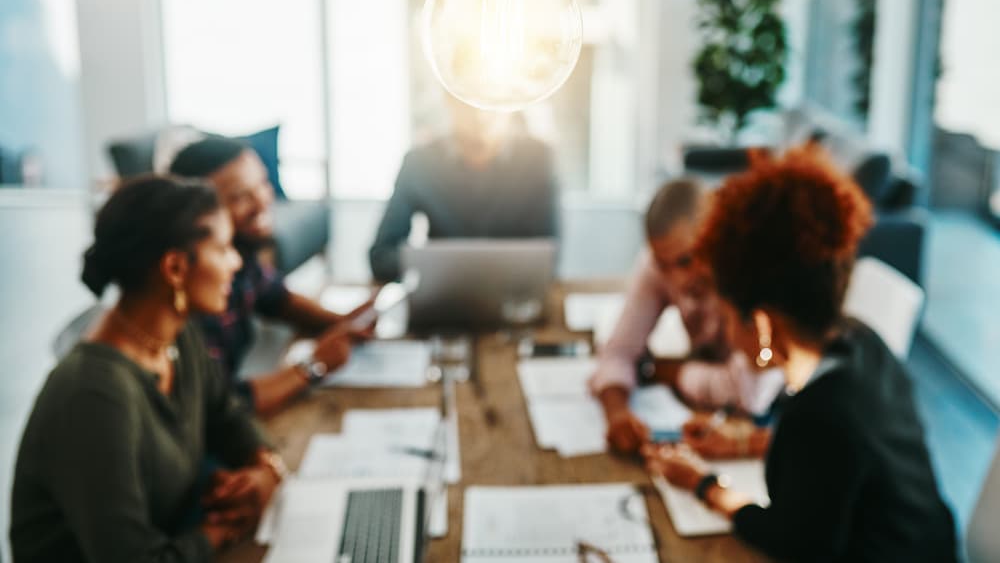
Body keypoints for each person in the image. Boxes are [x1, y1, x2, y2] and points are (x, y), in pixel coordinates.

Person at [644, 145, 957, 562]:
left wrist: (704, 485)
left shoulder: (818, 416)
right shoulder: (864, 343)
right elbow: (840, 465)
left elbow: (791, 540)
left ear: (761, 323)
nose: (727, 332)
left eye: (726, 311)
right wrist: (743, 443)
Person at [10, 176, 284, 562]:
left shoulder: (178, 337)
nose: (236, 262)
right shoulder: (95, 393)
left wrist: (264, 469)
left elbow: (226, 415)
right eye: (223, 248)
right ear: (174, 268)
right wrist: (220, 531)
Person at [169, 137, 371, 414]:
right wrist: (312, 366)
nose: (263, 201)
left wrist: (343, 323)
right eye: (240, 196)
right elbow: (216, 408)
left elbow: (277, 298)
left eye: (262, 184)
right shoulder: (194, 295)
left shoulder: (241, 255)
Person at [589, 178, 783, 454]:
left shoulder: (750, 267)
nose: (677, 281)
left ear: (715, 235)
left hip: (773, 421)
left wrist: (675, 373)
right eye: (663, 266)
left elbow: (751, 393)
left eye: (685, 261)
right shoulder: (663, 259)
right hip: (705, 415)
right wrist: (617, 414)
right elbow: (618, 352)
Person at [368, 97, 559, 283]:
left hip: (517, 306)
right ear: (448, 97)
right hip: (439, 305)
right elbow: (381, 256)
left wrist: (440, 268)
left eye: (491, 97)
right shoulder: (419, 163)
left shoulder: (539, 160)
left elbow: (548, 259)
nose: (480, 114)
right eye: (469, 99)